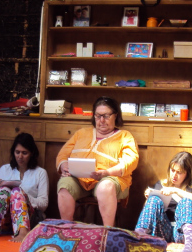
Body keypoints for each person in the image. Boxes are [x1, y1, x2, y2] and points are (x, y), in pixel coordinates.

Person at [56, 96, 139, 227]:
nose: (101, 120)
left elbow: (130, 161)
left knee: (106, 187)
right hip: (79, 180)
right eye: (98, 116)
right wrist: (64, 166)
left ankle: (107, 231)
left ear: (116, 115)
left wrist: (106, 173)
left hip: (111, 179)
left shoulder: (125, 136)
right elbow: (63, 154)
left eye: (106, 116)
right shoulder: (81, 133)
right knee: (64, 185)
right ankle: (67, 229)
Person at [0, 133, 49, 243]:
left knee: (16, 192)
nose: (20, 156)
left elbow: (44, 204)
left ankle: (23, 232)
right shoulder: (5, 169)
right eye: (17, 152)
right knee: (4, 191)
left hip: (30, 218)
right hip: (4, 219)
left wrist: (24, 196)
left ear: (32, 153)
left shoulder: (40, 173)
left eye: (24, 153)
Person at [135, 151, 192, 252]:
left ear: (187, 173)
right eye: (172, 170)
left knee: (186, 202)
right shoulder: (162, 184)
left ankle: (189, 245)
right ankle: (138, 237)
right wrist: (149, 197)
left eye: (179, 172)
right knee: (154, 200)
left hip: (184, 232)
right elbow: (148, 212)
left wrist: (175, 190)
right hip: (164, 230)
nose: (174, 175)